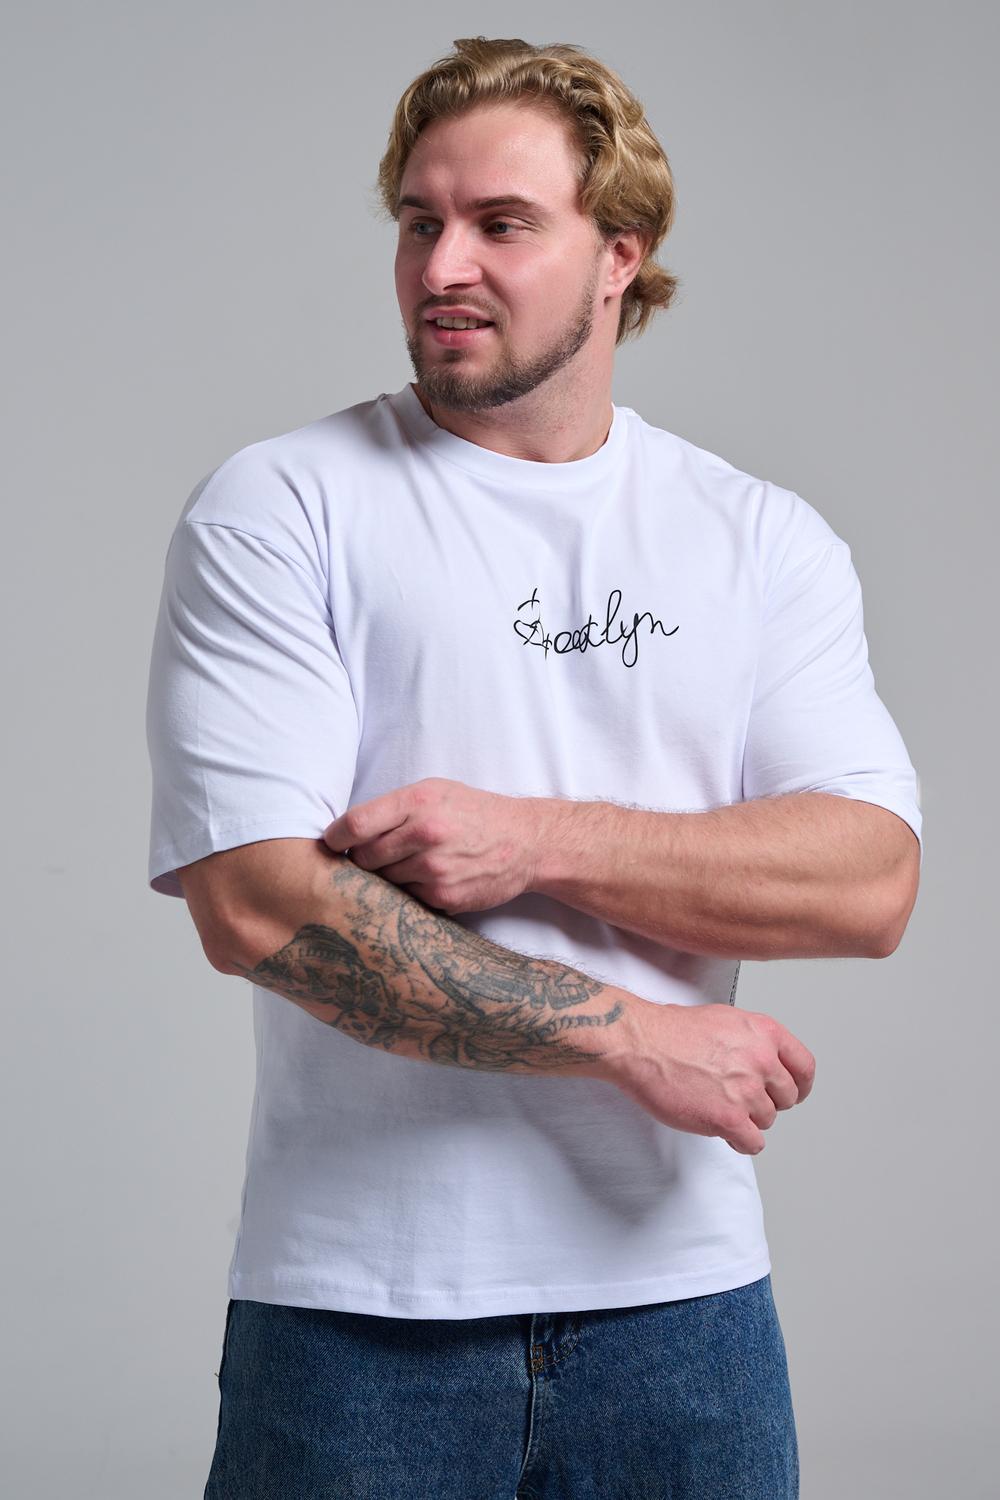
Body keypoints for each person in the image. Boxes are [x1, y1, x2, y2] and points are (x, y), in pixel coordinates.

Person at [145, 35, 922, 1500]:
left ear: (620, 253)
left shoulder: (759, 539)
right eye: (418, 221)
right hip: (357, 1318)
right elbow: (255, 905)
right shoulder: (283, 507)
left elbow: (869, 880)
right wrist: (631, 1034)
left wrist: (537, 841)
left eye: (502, 223)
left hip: (685, 1318)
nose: (444, 266)